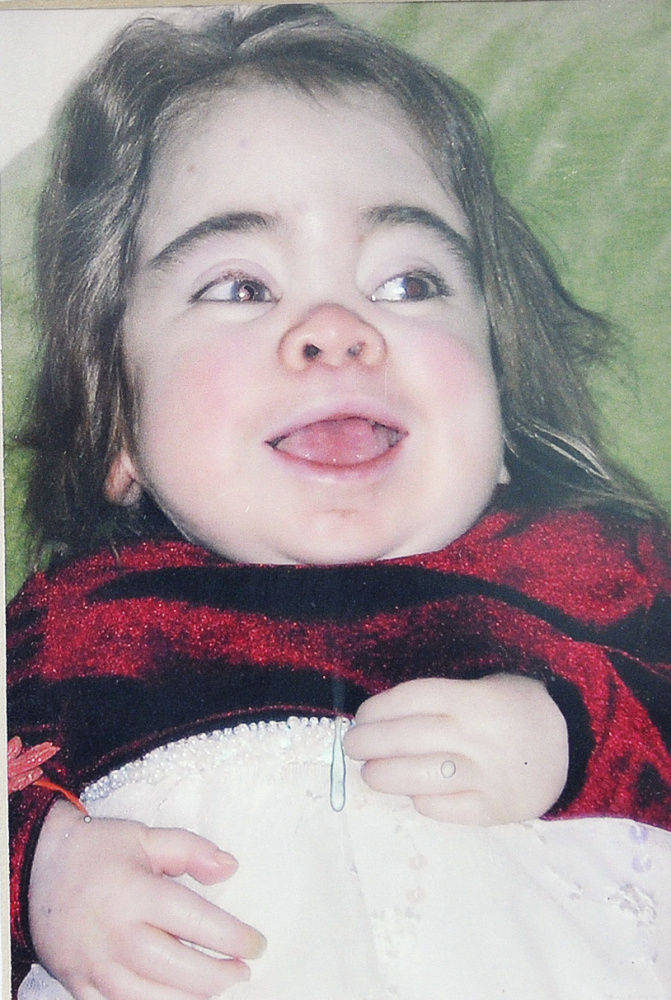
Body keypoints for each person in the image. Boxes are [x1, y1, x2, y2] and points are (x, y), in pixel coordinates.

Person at [6, 5, 671, 999]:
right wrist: (37, 871)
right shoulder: (65, 631)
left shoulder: (605, 572)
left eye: (405, 280)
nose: (333, 328)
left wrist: (582, 740)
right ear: (119, 434)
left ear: (498, 393)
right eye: (237, 286)